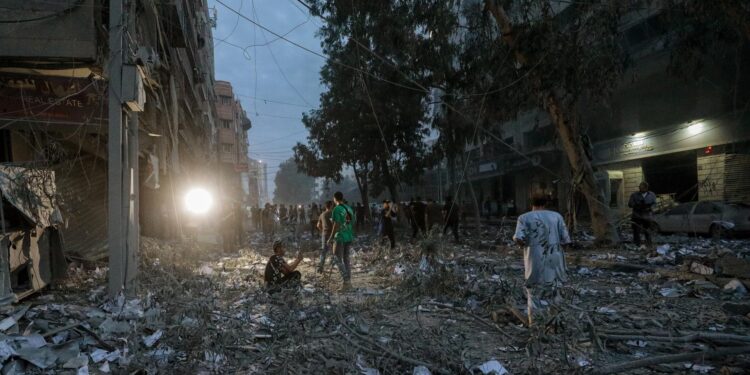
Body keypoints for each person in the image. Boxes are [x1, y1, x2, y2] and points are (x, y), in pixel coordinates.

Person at [513, 193, 571, 326]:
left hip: (535, 258)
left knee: (534, 290)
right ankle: (556, 324)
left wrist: (526, 245)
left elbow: (518, 238)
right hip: (555, 258)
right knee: (555, 290)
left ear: (531, 203)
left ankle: (535, 325)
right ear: (546, 203)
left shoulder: (524, 217)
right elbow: (566, 240)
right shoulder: (557, 216)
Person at [328, 192, 355, 290]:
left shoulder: (337, 209)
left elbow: (336, 225)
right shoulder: (349, 209)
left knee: (337, 259)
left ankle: (346, 281)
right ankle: (348, 283)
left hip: (340, 237)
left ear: (335, 198)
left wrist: (330, 238)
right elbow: (352, 222)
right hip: (349, 236)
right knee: (346, 259)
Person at [628, 182, 656, 249]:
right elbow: (629, 204)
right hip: (637, 215)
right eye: (640, 187)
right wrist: (636, 205)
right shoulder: (634, 195)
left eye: (643, 187)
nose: (641, 188)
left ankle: (649, 244)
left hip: (647, 216)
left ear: (646, 188)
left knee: (647, 230)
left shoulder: (652, 194)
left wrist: (650, 207)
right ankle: (637, 245)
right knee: (636, 231)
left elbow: (654, 204)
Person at [316, 201, 334, 273]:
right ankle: (332, 264)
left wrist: (322, 230)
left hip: (324, 234)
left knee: (323, 251)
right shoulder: (332, 213)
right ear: (331, 205)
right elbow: (334, 224)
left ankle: (320, 267)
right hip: (332, 234)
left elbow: (318, 225)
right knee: (334, 250)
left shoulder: (322, 214)